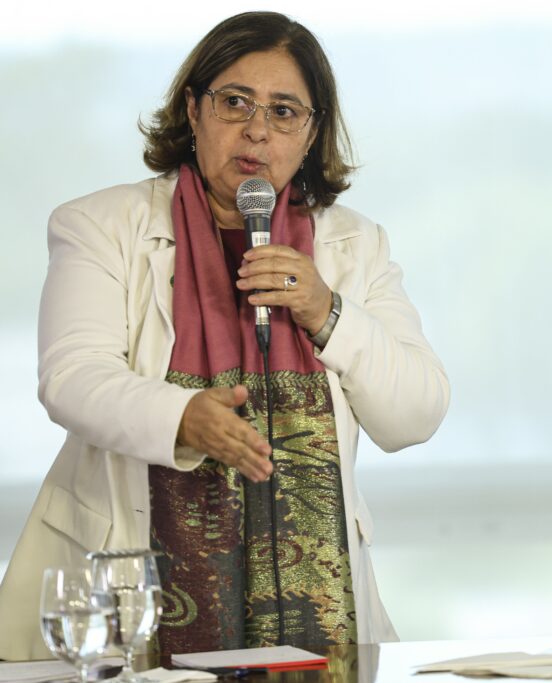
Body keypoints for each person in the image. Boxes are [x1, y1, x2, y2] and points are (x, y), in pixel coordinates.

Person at [0, 11, 449, 660]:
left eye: (284, 112)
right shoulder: (100, 224)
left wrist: (327, 311)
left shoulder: (355, 244)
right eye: (235, 102)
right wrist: (183, 417)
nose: (257, 130)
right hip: (128, 611)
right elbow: (72, 377)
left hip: (317, 617)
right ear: (193, 110)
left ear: (311, 132)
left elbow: (416, 413)